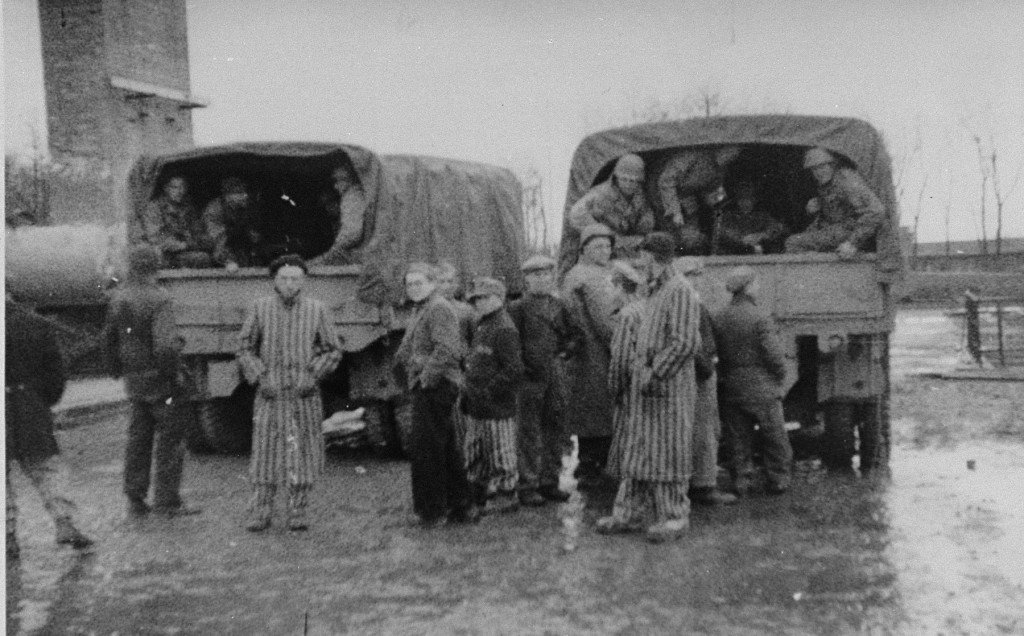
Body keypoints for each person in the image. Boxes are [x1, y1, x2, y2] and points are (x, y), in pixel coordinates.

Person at [597, 232, 701, 543]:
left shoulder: (679, 291)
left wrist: (656, 373)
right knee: (639, 451)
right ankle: (629, 513)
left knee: (667, 453)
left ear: (654, 257)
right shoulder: (655, 291)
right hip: (646, 390)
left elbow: (684, 343)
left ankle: (674, 517)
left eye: (643, 257)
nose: (639, 263)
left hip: (668, 391)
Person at [237, 254, 343, 531]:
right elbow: (244, 348)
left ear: (303, 281)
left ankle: (298, 510)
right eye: (283, 278)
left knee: (302, 452)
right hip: (270, 393)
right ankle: (261, 510)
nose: (289, 284)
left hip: (303, 393)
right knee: (265, 452)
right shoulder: (259, 309)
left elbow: (333, 349)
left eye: (295, 278)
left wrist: (314, 375)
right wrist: (260, 377)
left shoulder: (317, 309)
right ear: (274, 280)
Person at [104, 245, 201, 520]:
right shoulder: (159, 298)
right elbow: (165, 348)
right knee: (170, 442)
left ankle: (135, 498)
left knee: (138, 439)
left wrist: (116, 370)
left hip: (135, 381)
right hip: (162, 382)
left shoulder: (119, 296)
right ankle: (167, 502)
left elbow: (108, 339)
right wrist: (175, 376)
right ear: (155, 266)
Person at [7, 293, 94, 558]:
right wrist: (42, 399)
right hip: (28, 402)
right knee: (46, 466)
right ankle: (64, 522)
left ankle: (8, 537)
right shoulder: (33, 322)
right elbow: (56, 369)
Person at [393, 263, 478, 527]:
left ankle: (432, 511)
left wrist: (425, 380)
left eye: (419, 282)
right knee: (444, 446)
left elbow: (447, 350)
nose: (414, 288)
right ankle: (460, 506)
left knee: (427, 449)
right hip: (432, 384)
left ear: (432, 283)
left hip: (436, 385)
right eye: (410, 284)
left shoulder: (438, 308)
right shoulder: (424, 308)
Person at [508, 255, 583, 506]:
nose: (541, 279)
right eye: (535, 275)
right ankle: (527, 485)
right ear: (526, 279)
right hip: (529, 378)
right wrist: (522, 369)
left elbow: (575, 335)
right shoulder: (518, 308)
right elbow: (511, 344)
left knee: (556, 427)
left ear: (552, 276)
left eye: (545, 274)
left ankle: (549, 481)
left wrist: (564, 354)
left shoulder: (559, 306)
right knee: (528, 431)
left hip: (555, 374)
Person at [713, 266, 793, 495]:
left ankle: (742, 481)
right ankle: (778, 479)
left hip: (731, 384)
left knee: (738, 438)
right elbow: (774, 355)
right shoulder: (760, 317)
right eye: (756, 284)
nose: (758, 288)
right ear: (747, 288)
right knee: (774, 435)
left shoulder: (720, 316)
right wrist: (779, 375)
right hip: (761, 385)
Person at [461, 277, 526, 514]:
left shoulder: (504, 328)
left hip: (496, 406)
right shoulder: (482, 325)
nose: (480, 302)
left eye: (485, 297)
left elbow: (514, 369)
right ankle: (476, 492)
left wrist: (490, 391)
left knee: (501, 451)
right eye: (477, 298)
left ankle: (506, 495)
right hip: (477, 404)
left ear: (500, 299)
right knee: (474, 451)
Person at [676, 257, 737, 506]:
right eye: (690, 275)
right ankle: (703, 485)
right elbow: (688, 341)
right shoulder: (687, 303)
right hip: (698, 376)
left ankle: (697, 480)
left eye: (698, 275)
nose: (696, 280)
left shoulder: (689, 301)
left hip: (695, 373)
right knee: (703, 429)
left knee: (702, 428)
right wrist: (707, 367)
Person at [561, 223, 619, 481]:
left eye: (608, 246)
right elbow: (606, 321)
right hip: (595, 351)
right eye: (598, 246)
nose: (604, 251)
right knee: (598, 406)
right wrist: (624, 345)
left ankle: (591, 461)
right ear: (584, 249)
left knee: (592, 407)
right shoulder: (588, 276)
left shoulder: (585, 273)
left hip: (588, 351)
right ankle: (593, 463)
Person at [785, 147, 886, 255]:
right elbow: (836, 211)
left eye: (822, 167)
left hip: (851, 233)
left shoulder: (847, 182)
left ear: (832, 165)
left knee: (793, 243)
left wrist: (852, 243)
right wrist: (815, 208)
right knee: (799, 240)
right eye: (814, 169)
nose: (819, 172)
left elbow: (876, 211)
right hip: (838, 231)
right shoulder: (828, 183)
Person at [603, 260, 646, 504]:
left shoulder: (627, 316)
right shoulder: (647, 307)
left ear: (620, 287)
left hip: (630, 390)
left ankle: (628, 498)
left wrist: (615, 388)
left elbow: (620, 361)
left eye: (611, 286)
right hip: (647, 387)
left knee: (628, 443)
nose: (609, 293)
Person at [569, 154, 656, 258]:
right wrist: (602, 234)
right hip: (603, 248)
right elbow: (576, 214)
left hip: (625, 245)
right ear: (616, 177)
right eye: (624, 179)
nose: (628, 184)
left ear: (639, 181)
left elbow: (646, 225)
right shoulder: (601, 194)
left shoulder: (640, 197)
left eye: (632, 181)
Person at [657, 148, 740, 255]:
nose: (730, 157)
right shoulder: (691, 155)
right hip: (662, 195)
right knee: (671, 233)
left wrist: (720, 203)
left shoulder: (721, 168)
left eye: (734, 155)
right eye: (729, 151)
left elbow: (713, 191)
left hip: (687, 197)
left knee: (692, 236)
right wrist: (675, 211)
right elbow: (666, 181)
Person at [133, 175, 211, 268]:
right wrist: (177, 244)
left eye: (182, 187)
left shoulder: (188, 209)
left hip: (183, 252)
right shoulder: (154, 208)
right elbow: (157, 235)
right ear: (166, 189)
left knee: (203, 258)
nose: (179, 192)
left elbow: (198, 233)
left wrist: (189, 244)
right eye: (174, 187)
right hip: (162, 254)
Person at [203, 176, 267, 269]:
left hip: (236, 249)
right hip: (215, 251)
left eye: (245, 192)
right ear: (228, 196)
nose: (245, 196)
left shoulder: (243, 209)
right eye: (239, 193)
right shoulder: (214, 210)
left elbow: (252, 234)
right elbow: (217, 239)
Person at [716, 180, 787, 255]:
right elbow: (721, 231)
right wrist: (741, 239)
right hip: (735, 252)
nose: (745, 202)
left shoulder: (762, 216)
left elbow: (778, 228)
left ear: (754, 200)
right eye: (742, 198)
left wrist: (762, 235)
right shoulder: (728, 216)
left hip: (759, 252)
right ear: (737, 200)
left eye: (748, 198)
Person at [436, 261, 475, 347]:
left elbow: (474, 340)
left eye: (450, 281)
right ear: (434, 284)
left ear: (456, 284)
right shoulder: (426, 309)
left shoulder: (466, 310)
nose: (446, 286)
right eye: (441, 282)